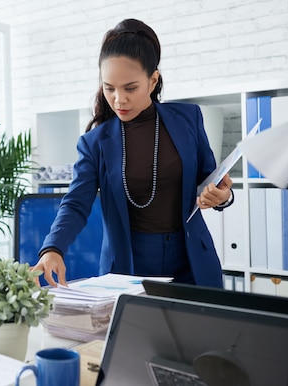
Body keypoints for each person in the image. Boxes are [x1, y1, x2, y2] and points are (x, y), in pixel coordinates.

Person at [32, 19, 233, 289]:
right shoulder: (95, 142)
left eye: (130, 88)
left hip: (192, 262)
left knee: (202, 332)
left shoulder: (188, 119)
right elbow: (76, 203)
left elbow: (211, 181)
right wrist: (52, 248)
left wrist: (223, 196)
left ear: (153, 81)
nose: (118, 100)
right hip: (127, 267)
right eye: (109, 88)